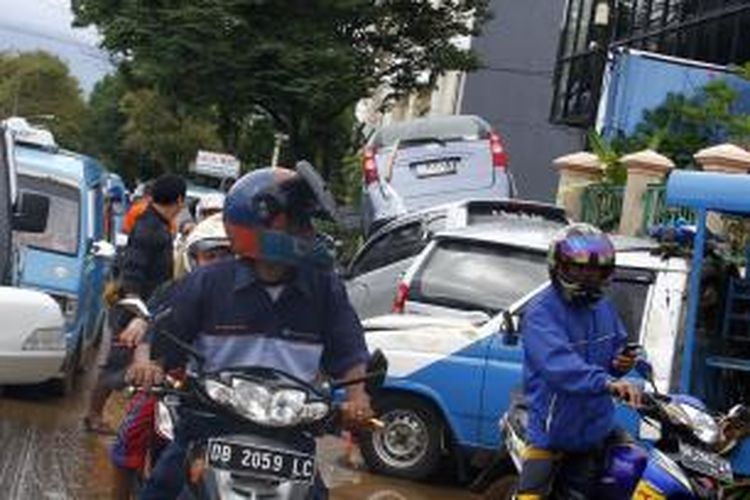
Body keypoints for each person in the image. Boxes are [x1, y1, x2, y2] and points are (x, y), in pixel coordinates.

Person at [127, 165, 372, 499]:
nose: (308, 233)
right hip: (210, 423)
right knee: (162, 487)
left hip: (292, 432)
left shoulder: (325, 289)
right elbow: (159, 338)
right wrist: (149, 364)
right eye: (298, 222)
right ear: (255, 223)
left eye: (308, 223)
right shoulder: (208, 283)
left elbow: (349, 351)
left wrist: (358, 399)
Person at [110, 214, 232, 500]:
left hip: (238, 396)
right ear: (193, 258)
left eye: (227, 255)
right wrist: (146, 361)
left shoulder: (252, 296)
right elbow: (153, 324)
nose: (218, 263)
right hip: (180, 387)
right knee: (133, 432)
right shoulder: (177, 290)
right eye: (210, 255)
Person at [517, 223, 642, 499]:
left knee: (635, 471)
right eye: (579, 268)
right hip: (553, 431)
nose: (588, 277)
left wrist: (621, 362)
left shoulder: (603, 308)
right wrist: (607, 382)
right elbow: (559, 366)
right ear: (558, 266)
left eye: (596, 270)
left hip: (594, 427)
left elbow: (616, 349)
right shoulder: (541, 312)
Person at [83, 174, 186, 433]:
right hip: (133, 310)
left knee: (129, 363)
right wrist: (138, 313)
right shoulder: (152, 229)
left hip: (142, 309)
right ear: (180, 200)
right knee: (117, 362)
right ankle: (93, 415)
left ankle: (105, 415)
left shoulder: (156, 224)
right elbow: (133, 273)